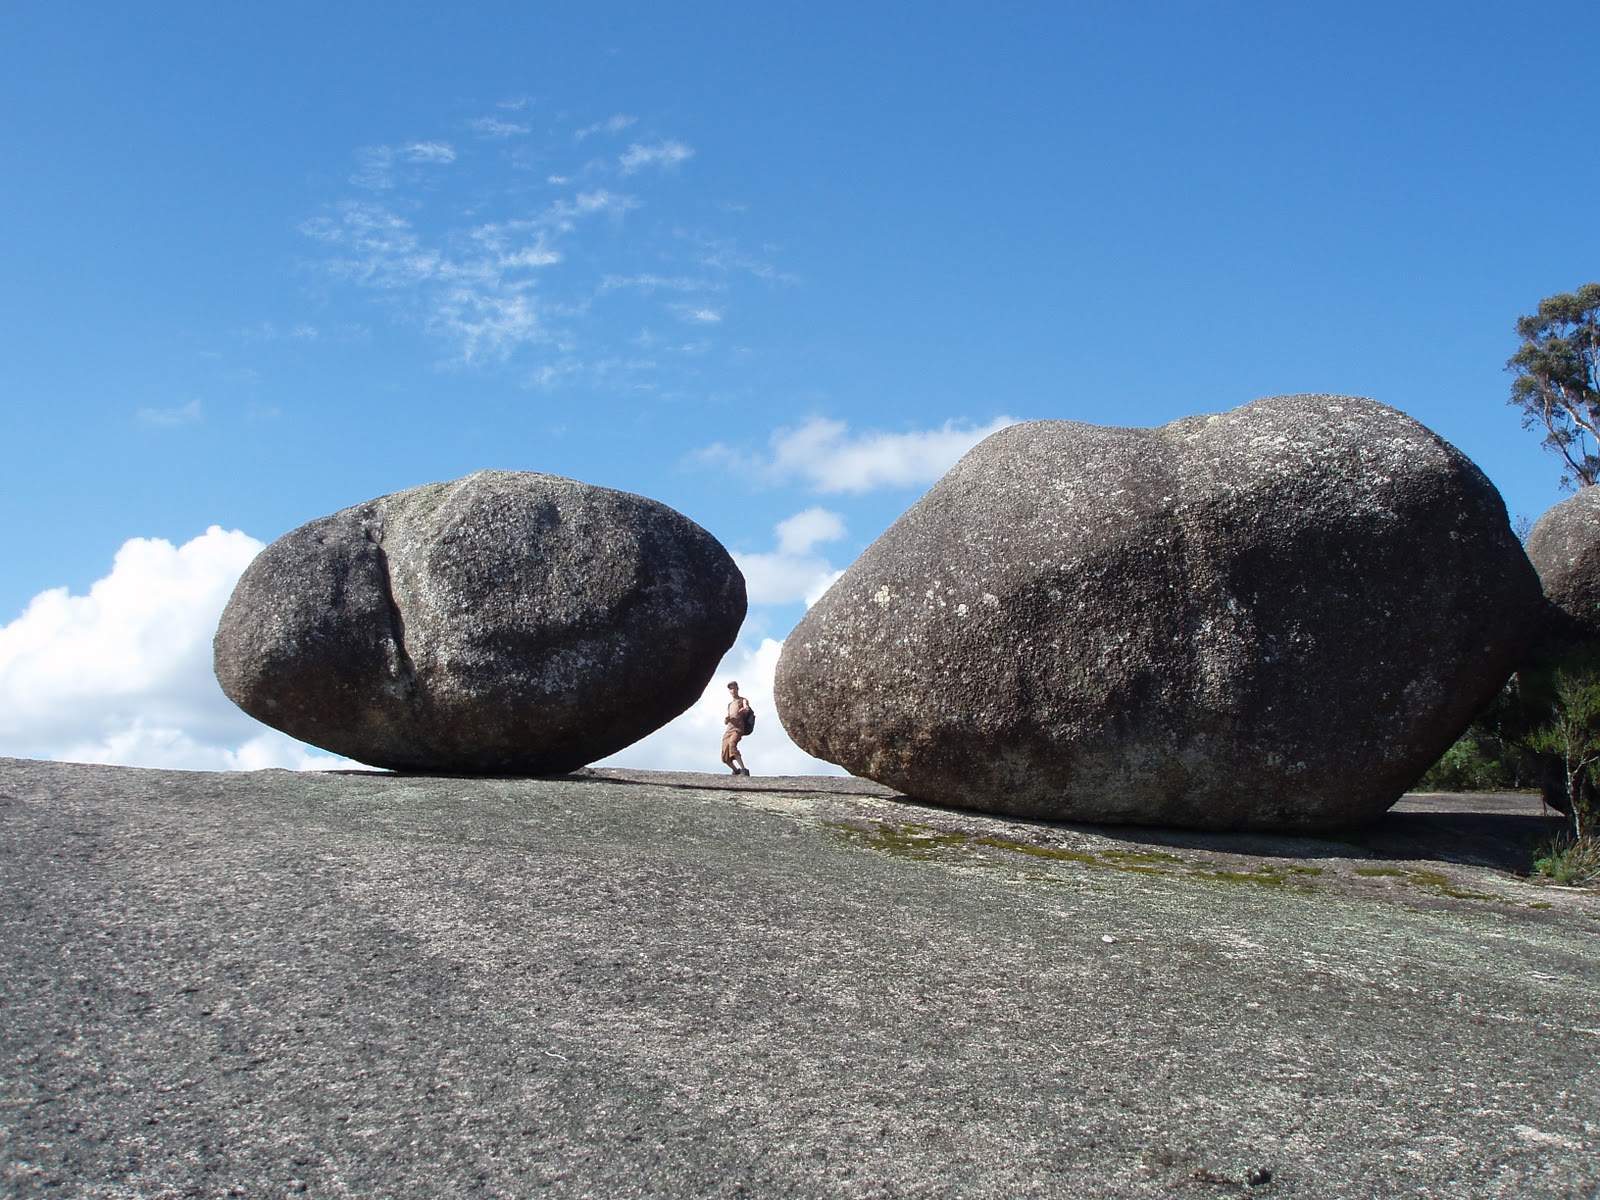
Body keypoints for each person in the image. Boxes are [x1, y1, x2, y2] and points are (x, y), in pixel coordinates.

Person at [721, 680, 753, 776]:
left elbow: (747, 708)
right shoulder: (730, 705)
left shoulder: (743, 700)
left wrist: (743, 710)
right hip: (729, 729)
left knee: (732, 745)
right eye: (731, 689)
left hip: (737, 728)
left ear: (737, 689)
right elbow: (726, 721)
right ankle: (736, 770)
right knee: (724, 755)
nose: (733, 690)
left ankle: (743, 769)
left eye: (734, 688)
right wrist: (727, 719)